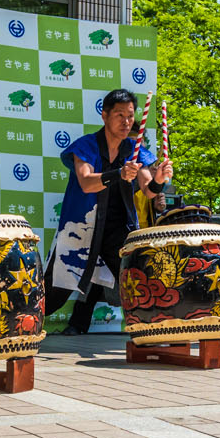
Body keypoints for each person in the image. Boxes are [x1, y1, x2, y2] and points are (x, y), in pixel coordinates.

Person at [46, 89, 161, 333]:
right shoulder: (85, 146)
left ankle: (151, 333)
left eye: (130, 116)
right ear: (104, 116)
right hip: (81, 228)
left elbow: (149, 189)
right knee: (54, 292)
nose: (126, 121)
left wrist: (159, 179)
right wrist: (117, 174)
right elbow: (87, 182)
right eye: (119, 115)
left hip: (118, 231)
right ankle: (17, 322)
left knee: (138, 280)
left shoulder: (134, 149)